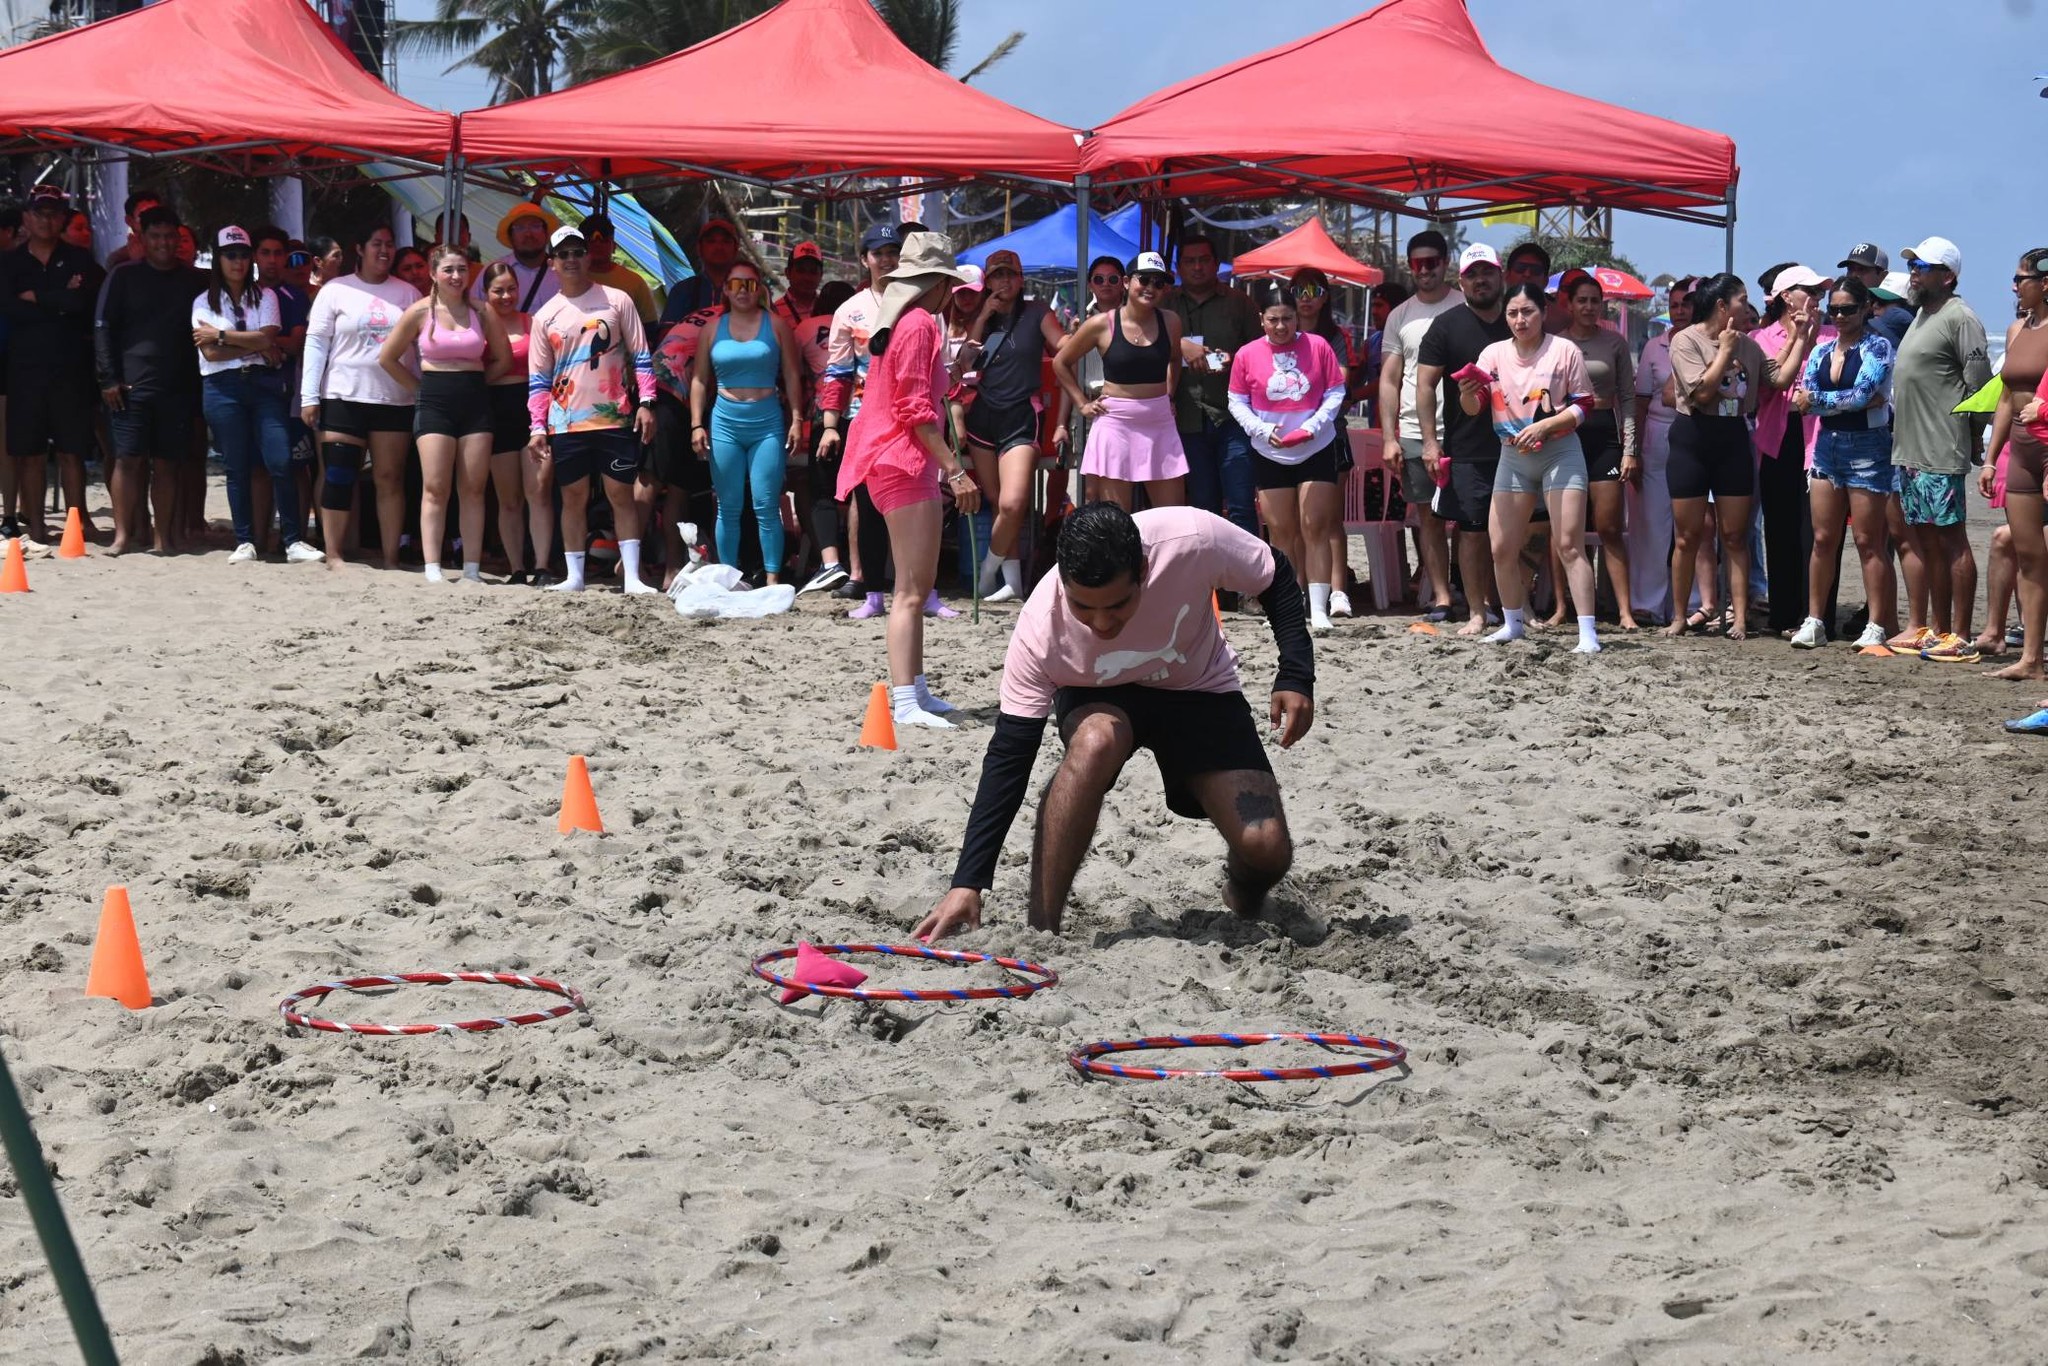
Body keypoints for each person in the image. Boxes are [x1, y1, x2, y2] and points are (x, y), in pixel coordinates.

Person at [913, 501, 1313, 942]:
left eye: (1118, 605)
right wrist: (967, 882)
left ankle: (1243, 895)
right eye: (1084, 608)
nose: (1102, 624)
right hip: (1097, 697)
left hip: (1197, 689)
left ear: (1144, 569)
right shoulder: (1039, 628)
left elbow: (1273, 572)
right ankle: (1043, 928)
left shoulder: (1192, 538)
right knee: (1095, 742)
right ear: (1063, 580)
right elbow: (1010, 757)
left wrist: (1295, 673)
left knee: (1266, 848)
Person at [834, 232, 982, 727]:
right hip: (902, 460)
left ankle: (915, 691)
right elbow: (916, 411)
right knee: (911, 591)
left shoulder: (904, 321)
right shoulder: (920, 324)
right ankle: (904, 700)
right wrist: (956, 470)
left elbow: (917, 396)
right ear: (939, 283)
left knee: (915, 586)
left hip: (892, 458)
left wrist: (955, 372)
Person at [1665, 272, 1815, 641]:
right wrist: (1726, 351)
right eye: (1740, 300)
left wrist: (1799, 339)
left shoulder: (1747, 343)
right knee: (1688, 535)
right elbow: (1701, 393)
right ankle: (1680, 615)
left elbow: (1777, 379)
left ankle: (1741, 617)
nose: (1748, 308)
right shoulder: (1686, 340)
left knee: (1735, 536)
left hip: (1733, 438)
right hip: (1693, 439)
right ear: (1721, 306)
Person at [1460, 283, 1602, 653]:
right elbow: (1474, 408)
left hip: (1560, 452)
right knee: (1502, 546)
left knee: (1569, 544)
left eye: (1528, 312)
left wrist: (1545, 425)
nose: (1520, 320)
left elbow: (1585, 404)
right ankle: (1512, 624)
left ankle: (1588, 634)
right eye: (1512, 313)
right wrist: (1465, 392)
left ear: (1544, 312)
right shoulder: (1492, 354)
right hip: (1513, 456)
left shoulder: (1563, 350)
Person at [526, 222, 658, 594]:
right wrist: (538, 427)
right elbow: (539, 377)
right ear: (551, 262)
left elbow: (642, 356)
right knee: (573, 497)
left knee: (622, 494)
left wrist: (647, 403)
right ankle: (575, 576)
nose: (572, 259)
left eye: (578, 252)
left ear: (589, 257)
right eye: (563, 254)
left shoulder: (618, 300)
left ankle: (632, 576)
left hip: (614, 414)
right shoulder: (545, 316)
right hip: (566, 421)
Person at [380, 242, 513, 583]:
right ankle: (433, 566)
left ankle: (471, 568)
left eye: (462, 269)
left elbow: (503, 358)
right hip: (434, 400)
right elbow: (387, 358)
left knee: (473, 487)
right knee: (435, 487)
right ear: (433, 273)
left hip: (474, 401)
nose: (456, 276)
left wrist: (480, 381)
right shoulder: (420, 312)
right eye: (448, 269)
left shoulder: (483, 311)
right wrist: (418, 389)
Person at [819, 222, 931, 619]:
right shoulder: (850, 310)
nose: (886, 259)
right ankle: (872, 593)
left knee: (916, 503)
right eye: (878, 253)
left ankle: (922, 592)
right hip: (864, 419)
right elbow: (837, 372)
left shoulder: (920, 305)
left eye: (892, 252)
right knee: (866, 507)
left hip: (911, 419)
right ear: (864, 259)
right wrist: (831, 424)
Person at [191, 226, 319, 565]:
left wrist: (220, 335)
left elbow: (267, 339)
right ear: (218, 259)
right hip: (222, 388)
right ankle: (245, 540)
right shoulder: (202, 301)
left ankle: (292, 540)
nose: (238, 261)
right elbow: (212, 356)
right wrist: (251, 347)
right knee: (237, 466)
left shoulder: (267, 296)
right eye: (231, 255)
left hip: (264, 387)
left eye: (244, 255)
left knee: (280, 460)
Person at [1890, 237, 1992, 659]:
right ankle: (1939, 627)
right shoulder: (1921, 315)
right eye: (1913, 265)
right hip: (1910, 448)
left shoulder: (1960, 317)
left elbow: (1981, 387)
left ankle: (1962, 634)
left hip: (1940, 447)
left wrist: (1972, 437)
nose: (1914, 272)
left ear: (1947, 275)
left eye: (1923, 266)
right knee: (1927, 540)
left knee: (1951, 540)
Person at [1226, 279, 1347, 631]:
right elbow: (1236, 400)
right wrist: (1261, 430)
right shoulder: (1247, 354)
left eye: (1288, 319)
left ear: (1298, 318)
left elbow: (1336, 392)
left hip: (1315, 446)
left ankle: (1320, 608)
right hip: (1270, 449)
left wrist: (1312, 427)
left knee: (1315, 526)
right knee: (1280, 531)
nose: (1281, 327)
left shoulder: (1319, 346)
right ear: (1262, 319)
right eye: (1274, 319)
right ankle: (1286, 606)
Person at [299, 224, 421, 568]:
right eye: (376, 244)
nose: (384, 251)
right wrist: (309, 396)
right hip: (342, 395)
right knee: (338, 476)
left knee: (389, 479)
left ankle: (390, 557)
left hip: (393, 399)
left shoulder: (409, 293)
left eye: (389, 244)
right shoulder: (336, 290)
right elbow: (316, 340)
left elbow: (419, 346)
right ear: (360, 249)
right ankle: (334, 553)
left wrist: (423, 389)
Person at [1788, 278, 1896, 650]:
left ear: (1866, 308)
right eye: (1834, 309)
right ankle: (1815, 619)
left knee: (1868, 540)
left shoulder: (1878, 345)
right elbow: (1803, 395)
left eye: (1847, 309)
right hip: (1828, 445)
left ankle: (1877, 624)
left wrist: (1820, 400)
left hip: (1868, 447)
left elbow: (1863, 392)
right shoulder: (1821, 349)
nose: (1839, 315)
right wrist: (1838, 400)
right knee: (1822, 539)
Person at [952, 248, 1063, 603]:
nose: (1003, 281)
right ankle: (1012, 581)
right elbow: (965, 364)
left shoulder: (1037, 312)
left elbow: (1063, 345)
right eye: (997, 276)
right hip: (984, 415)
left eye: (1009, 274)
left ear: (1021, 279)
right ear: (987, 282)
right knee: (998, 502)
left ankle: (987, 574)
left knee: (1014, 504)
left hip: (1021, 414)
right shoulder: (981, 316)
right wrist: (984, 315)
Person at [94, 204, 205, 555]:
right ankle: (123, 536)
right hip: (129, 385)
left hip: (178, 386)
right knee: (128, 460)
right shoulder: (123, 275)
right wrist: (108, 378)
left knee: (168, 464)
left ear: (179, 239)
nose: (163, 243)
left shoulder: (196, 280)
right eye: (155, 236)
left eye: (170, 236)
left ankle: (163, 538)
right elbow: (102, 328)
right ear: (142, 238)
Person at [1413, 244, 1512, 636]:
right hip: (1467, 447)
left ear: (1501, 276)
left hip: (1520, 444)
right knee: (1471, 530)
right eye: (1473, 274)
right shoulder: (1445, 325)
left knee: (1519, 531)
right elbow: (1424, 386)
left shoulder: (1520, 321)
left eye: (1487, 272)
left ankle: (1512, 607)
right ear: (1461, 281)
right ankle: (1475, 611)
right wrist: (1429, 442)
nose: (1481, 280)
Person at [1, 186, 104, 544]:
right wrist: (60, 300)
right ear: (27, 218)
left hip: (69, 367)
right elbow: (9, 308)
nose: (47, 220)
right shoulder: (9, 262)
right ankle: (38, 527)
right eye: (39, 213)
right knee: (29, 453)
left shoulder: (80, 259)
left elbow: (83, 303)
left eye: (53, 214)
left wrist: (39, 298)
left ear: (62, 219)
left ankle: (77, 527)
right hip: (24, 370)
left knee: (71, 450)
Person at [689, 259, 802, 583]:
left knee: (767, 503)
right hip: (725, 420)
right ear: (725, 289)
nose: (742, 291)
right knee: (728, 504)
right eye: (736, 284)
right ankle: (728, 576)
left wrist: (796, 418)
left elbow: (793, 375)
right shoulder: (712, 328)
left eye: (749, 284)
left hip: (767, 421)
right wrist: (697, 423)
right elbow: (698, 379)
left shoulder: (777, 325)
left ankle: (771, 579)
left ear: (760, 289)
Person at [1053, 250, 1187, 515]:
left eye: (1159, 282)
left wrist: (1169, 395)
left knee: (1173, 517)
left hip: (1159, 423)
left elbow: (1174, 359)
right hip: (1116, 424)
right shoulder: (1101, 324)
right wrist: (1082, 404)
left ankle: (1157, 559)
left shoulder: (1171, 321)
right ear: (1127, 282)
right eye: (1144, 280)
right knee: (1116, 520)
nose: (1151, 288)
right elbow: (1060, 362)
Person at [1979, 248, 2048, 681]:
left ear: (2045, 283)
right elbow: (2006, 396)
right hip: (2021, 449)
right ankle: (2032, 660)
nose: (2014, 286)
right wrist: (1989, 459)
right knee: (2028, 555)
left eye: (2022, 278)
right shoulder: (2017, 328)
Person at [1556, 268, 1639, 629]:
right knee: (1566, 531)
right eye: (1582, 301)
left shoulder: (1615, 342)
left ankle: (1624, 611)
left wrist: (1630, 449)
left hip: (1605, 434)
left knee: (1608, 527)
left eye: (1595, 300)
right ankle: (1563, 608)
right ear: (1570, 305)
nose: (1589, 307)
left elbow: (1628, 398)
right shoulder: (1556, 342)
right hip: (1566, 434)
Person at [1752, 265, 1832, 637]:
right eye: (1809, 290)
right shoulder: (1763, 338)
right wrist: (1799, 339)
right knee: (1781, 527)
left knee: (1818, 530)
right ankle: (1784, 612)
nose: (1817, 298)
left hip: (1820, 440)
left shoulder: (1832, 335)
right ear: (1787, 297)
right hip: (1778, 438)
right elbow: (1766, 387)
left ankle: (1816, 615)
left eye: (1819, 292)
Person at [1168, 235, 1261, 539]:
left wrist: (1234, 360)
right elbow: (1145, 339)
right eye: (1189, 261)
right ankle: (1212, 584)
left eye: (1204, 259)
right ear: (1179, 267)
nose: (1197, 267)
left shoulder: (1239, 303)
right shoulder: (1164, 304)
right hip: (1186, 417)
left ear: (1215, 263)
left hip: (1232, 417)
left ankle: (1249, 581)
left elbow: (1261, 356)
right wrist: (1180, 344)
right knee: (1202, 507)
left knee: (1241, 506)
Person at [479, 262, 547, 585]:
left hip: (530, 409)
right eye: (498, 290)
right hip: (496, 410)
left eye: (511, 289)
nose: (506, 296)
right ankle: (517, 567)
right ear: (485, 293)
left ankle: (543, 566)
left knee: (538, 492)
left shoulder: (532, 323)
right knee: (508, 499)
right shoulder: (477, 326)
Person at [795, 278, 857, 595]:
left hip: (825, 415)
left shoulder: (806, 327)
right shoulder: (862, 321)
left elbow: (793, 373)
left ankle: (831, 562)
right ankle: (867, 567)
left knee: (821, 490)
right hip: (860, 413)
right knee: (863, 494)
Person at [255, 225, 314, 552]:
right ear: (255, 256)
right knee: (259, 468)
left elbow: (295, 343)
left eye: (280, 254)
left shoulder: (295, 297)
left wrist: (257, 340)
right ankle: (259, 538)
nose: (274, 261)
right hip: (252, 391)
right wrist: (255, 342)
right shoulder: (244, 292)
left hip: (291, 394)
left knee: (295, 467)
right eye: (267, 253)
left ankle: (297, 537)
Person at [475, 203, 559, 313]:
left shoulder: (562, 272)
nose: (528, 234)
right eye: (519, 228)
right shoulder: (492, 271)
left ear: (546, 233)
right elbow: (473, 312)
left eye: (535, 226)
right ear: (510, 236)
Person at [659, 218, 744, 324]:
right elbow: (667, 335)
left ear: (736, 249)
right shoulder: (683, 290)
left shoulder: (751, 289)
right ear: (699, 249)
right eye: (711, 241)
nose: (719, 247)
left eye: (726, 241)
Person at [581, 213, 660, 326]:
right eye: (590, 240)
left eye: (604, 241)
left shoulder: (635, 282)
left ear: (614, 246)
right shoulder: (564, 279)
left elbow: (649, 328)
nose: (597, 244)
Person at [1838, 244, 1915, 349]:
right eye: (1850, 269)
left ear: (1883, 276)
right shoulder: (1836, 314)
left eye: (1862, 269)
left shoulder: (1893, 320)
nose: (1854, 275)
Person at [103, 190, 164, 269]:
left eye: (157, 214)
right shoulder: (119, 259)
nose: (152, 221)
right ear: (129, 221)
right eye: (143, 216)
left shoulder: (174, 249)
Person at [772, 241, 825, 327]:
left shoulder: (828, 309)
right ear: (787, 273)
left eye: (813, 272)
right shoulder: (775, 312)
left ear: (821, 275)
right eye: (801, 271)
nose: (807, 277)